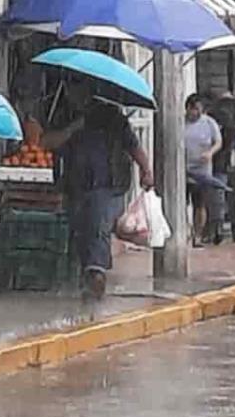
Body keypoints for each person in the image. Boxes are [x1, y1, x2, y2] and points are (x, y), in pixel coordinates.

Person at [43, 81, 153, 299]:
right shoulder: (65, 115)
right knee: (80, 230)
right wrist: (74, 127)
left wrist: (146, 169)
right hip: (76, 185)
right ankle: (84, 275)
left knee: (98, 226)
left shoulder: (112, 116)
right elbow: (47, 142)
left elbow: (133, 145)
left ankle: (96, 276)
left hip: (108, 185)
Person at [184, 94, 224, 246]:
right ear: (188, 108)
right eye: (195, 110)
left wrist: (210, 153)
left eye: (200, 110)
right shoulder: (181, 122)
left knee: (199, 204)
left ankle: (198, 235)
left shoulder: (209, 122)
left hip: (202, 170)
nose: (198, 113)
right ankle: (185, 231)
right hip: (183, 169)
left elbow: (218, 142)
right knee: (182, 204)